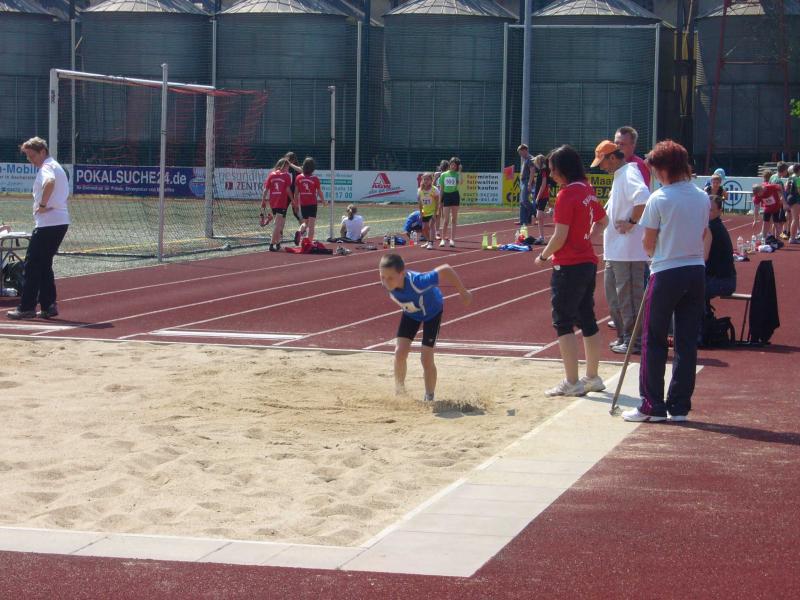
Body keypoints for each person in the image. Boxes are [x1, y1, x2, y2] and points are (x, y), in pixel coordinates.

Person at [622, 140, 710, 423]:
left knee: (654, 339)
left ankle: (652, 405)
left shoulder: (659, 198)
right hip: (695, 271)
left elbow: (648, 243)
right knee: (686, 341)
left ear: (662, 169)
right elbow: (703, 233)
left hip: (666, 271)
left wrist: (657, 253)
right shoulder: (702, 196)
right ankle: (679, 406)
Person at [534, 145, 608, 397]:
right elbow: (603, 220)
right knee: (587, 318)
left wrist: (543, 256)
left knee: (563, 322)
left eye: (553, 169)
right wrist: (587, 239)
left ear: (563, 169)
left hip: (568, 265)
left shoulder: (566, 195)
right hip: (587, 262)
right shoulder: (587, 189)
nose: (551, 174)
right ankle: (592, 376)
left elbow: (559, 236)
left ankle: (572, 381)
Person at [378, 253, 472, 403]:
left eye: (390, 278)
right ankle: (400, 392)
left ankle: (429, 397)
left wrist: (463, 292)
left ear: (402, 274)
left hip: (432, 313)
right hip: (411, 313)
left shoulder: (419, 282)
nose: (385, 282)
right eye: (382, 277)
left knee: (426, 358)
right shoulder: (389, 282)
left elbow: (446, 269)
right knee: (400, 352)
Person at [591, 139, 650, 355]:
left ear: (613, 158)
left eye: (603, 163)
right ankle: (625, 337)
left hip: (628, 252)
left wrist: (631, 223)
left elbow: (643, 198)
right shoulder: (620, 176)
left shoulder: (629, 173)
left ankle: (635, 340)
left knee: (629, 298)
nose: (602, 167)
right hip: (616, 251)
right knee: (615, 298)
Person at [7, 137, 70, 320]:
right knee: (44, 264)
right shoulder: (55, 166)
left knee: (32, 265)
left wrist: (42, 205)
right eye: (27, 156)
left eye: (32, 155)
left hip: (48, 224)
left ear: (42, 152)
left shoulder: (47, 168)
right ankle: (48, 305)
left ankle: (27, 307)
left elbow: (49, 182)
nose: (30, 160)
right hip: (59, 222)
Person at [705, 195, 737, 303]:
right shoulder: (716, 225)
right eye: (705, 209)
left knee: (686, 289)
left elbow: (703, 257)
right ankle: (704, 311)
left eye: (710, 210)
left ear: (720, 211)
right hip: (725, 280)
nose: (706, 212)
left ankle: (702, 312)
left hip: (722, 282)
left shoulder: (711, 228)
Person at [260, 158, 294, 252]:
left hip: (273, 202)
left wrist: (263, 200)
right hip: (281, 202)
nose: (288, 169)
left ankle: (278, 243)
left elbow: (266, 189)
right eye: (287, 167)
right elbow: (288, 190)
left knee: (280, 223)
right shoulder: (286, 176)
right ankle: (271, 244)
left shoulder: (271, 174)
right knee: (277, 224)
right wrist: (293, 200)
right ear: (284, 166)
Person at [293, 157, 327, 245]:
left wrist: (295, 204)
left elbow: (296, 193)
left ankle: (299, 231)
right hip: (312, 204)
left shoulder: (298, 178)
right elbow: (319, 192)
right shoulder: (315, 178)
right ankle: (309, 244)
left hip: (303, 204)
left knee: (305, 223)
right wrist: (323, 202)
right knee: (311, 225)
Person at [438, 157, 461, 248]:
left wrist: (460, 171)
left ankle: (452, 240)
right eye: (452, 164)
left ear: (457, 166)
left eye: (455, 165)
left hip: (455, 196)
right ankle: (443, 239)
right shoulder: (443, 175)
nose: (453, 166)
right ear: (449, 164)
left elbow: (461, 182)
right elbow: (441, 189)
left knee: (454, 219)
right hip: (446, 196)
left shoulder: (457, 174)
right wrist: (440, 201)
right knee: (446, 220)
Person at [417, 173, 440, 249]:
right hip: (425, 212)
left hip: (433, 211)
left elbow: (437, 202)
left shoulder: (434, 190)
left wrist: (435, 213)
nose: (426, 181)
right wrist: (421, 213)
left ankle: (431, 243)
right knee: (424, 228)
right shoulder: (420, 190)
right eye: (424, 179)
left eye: (428, 179)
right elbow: (420, 203)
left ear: (431, 180)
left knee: (431, 226)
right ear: (422, 180)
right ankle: (428, 241)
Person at [532, 154, 549, 244]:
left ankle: (552, 214)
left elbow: (543, 184)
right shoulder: (540, 171)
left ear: (539, 162)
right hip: (540, 195)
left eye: (535, 162)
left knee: (539, 216)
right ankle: (541, 237)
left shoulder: (543, 171)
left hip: (543, 196)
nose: (535, 164)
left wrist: (538, 196)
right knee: (539, 217)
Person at [770, 162, 790, 239]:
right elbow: (780, 195)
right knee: (779, 222)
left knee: (775, 221)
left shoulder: (772, 177)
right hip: (778, 203)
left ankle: (773, 237)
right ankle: (777, 238)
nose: (787, 172)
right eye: (786, 170)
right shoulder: (779, 181)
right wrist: (784, 204)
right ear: (784, 170)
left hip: (772, 202)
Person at [517, 144, 535, 227]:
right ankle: (523, 220)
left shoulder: (530, 158)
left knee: (524, 200)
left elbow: (532, 171)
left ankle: (535, 213)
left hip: (527, 181)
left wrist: (529, 183)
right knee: (522, 201)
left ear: (525, 150)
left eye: (521, 153)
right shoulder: (525, 159)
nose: (520, 155)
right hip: (523, 181)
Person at [284, 151, 303, 224]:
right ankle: (279, 229)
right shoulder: (284, 168)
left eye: (288, 160)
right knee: (282, 211)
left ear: (293, 160)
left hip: (295, 193)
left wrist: (290, 164)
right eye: (286, 159)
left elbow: (302, 170)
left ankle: (303, 228)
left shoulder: (296, 168)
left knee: (296, 213)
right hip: (287, 193)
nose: (287, 161)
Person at [432, 160, 449, 239]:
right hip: (438, 196)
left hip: (446, 195)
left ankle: (442, 233)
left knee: (444, 215)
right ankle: (437, 232)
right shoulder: (437, 174)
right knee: (438, 214)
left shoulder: (448, 174)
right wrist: (435, 178)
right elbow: (432, 185)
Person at [788, 164, 800, 244]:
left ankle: (794, 236)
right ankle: (792, 238)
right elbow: (799, 191)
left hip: (791, 197)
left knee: (795, 218)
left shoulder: (791, 177)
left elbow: (787, 187)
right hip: (796, 199)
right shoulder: (798, 179)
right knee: (795, 219)